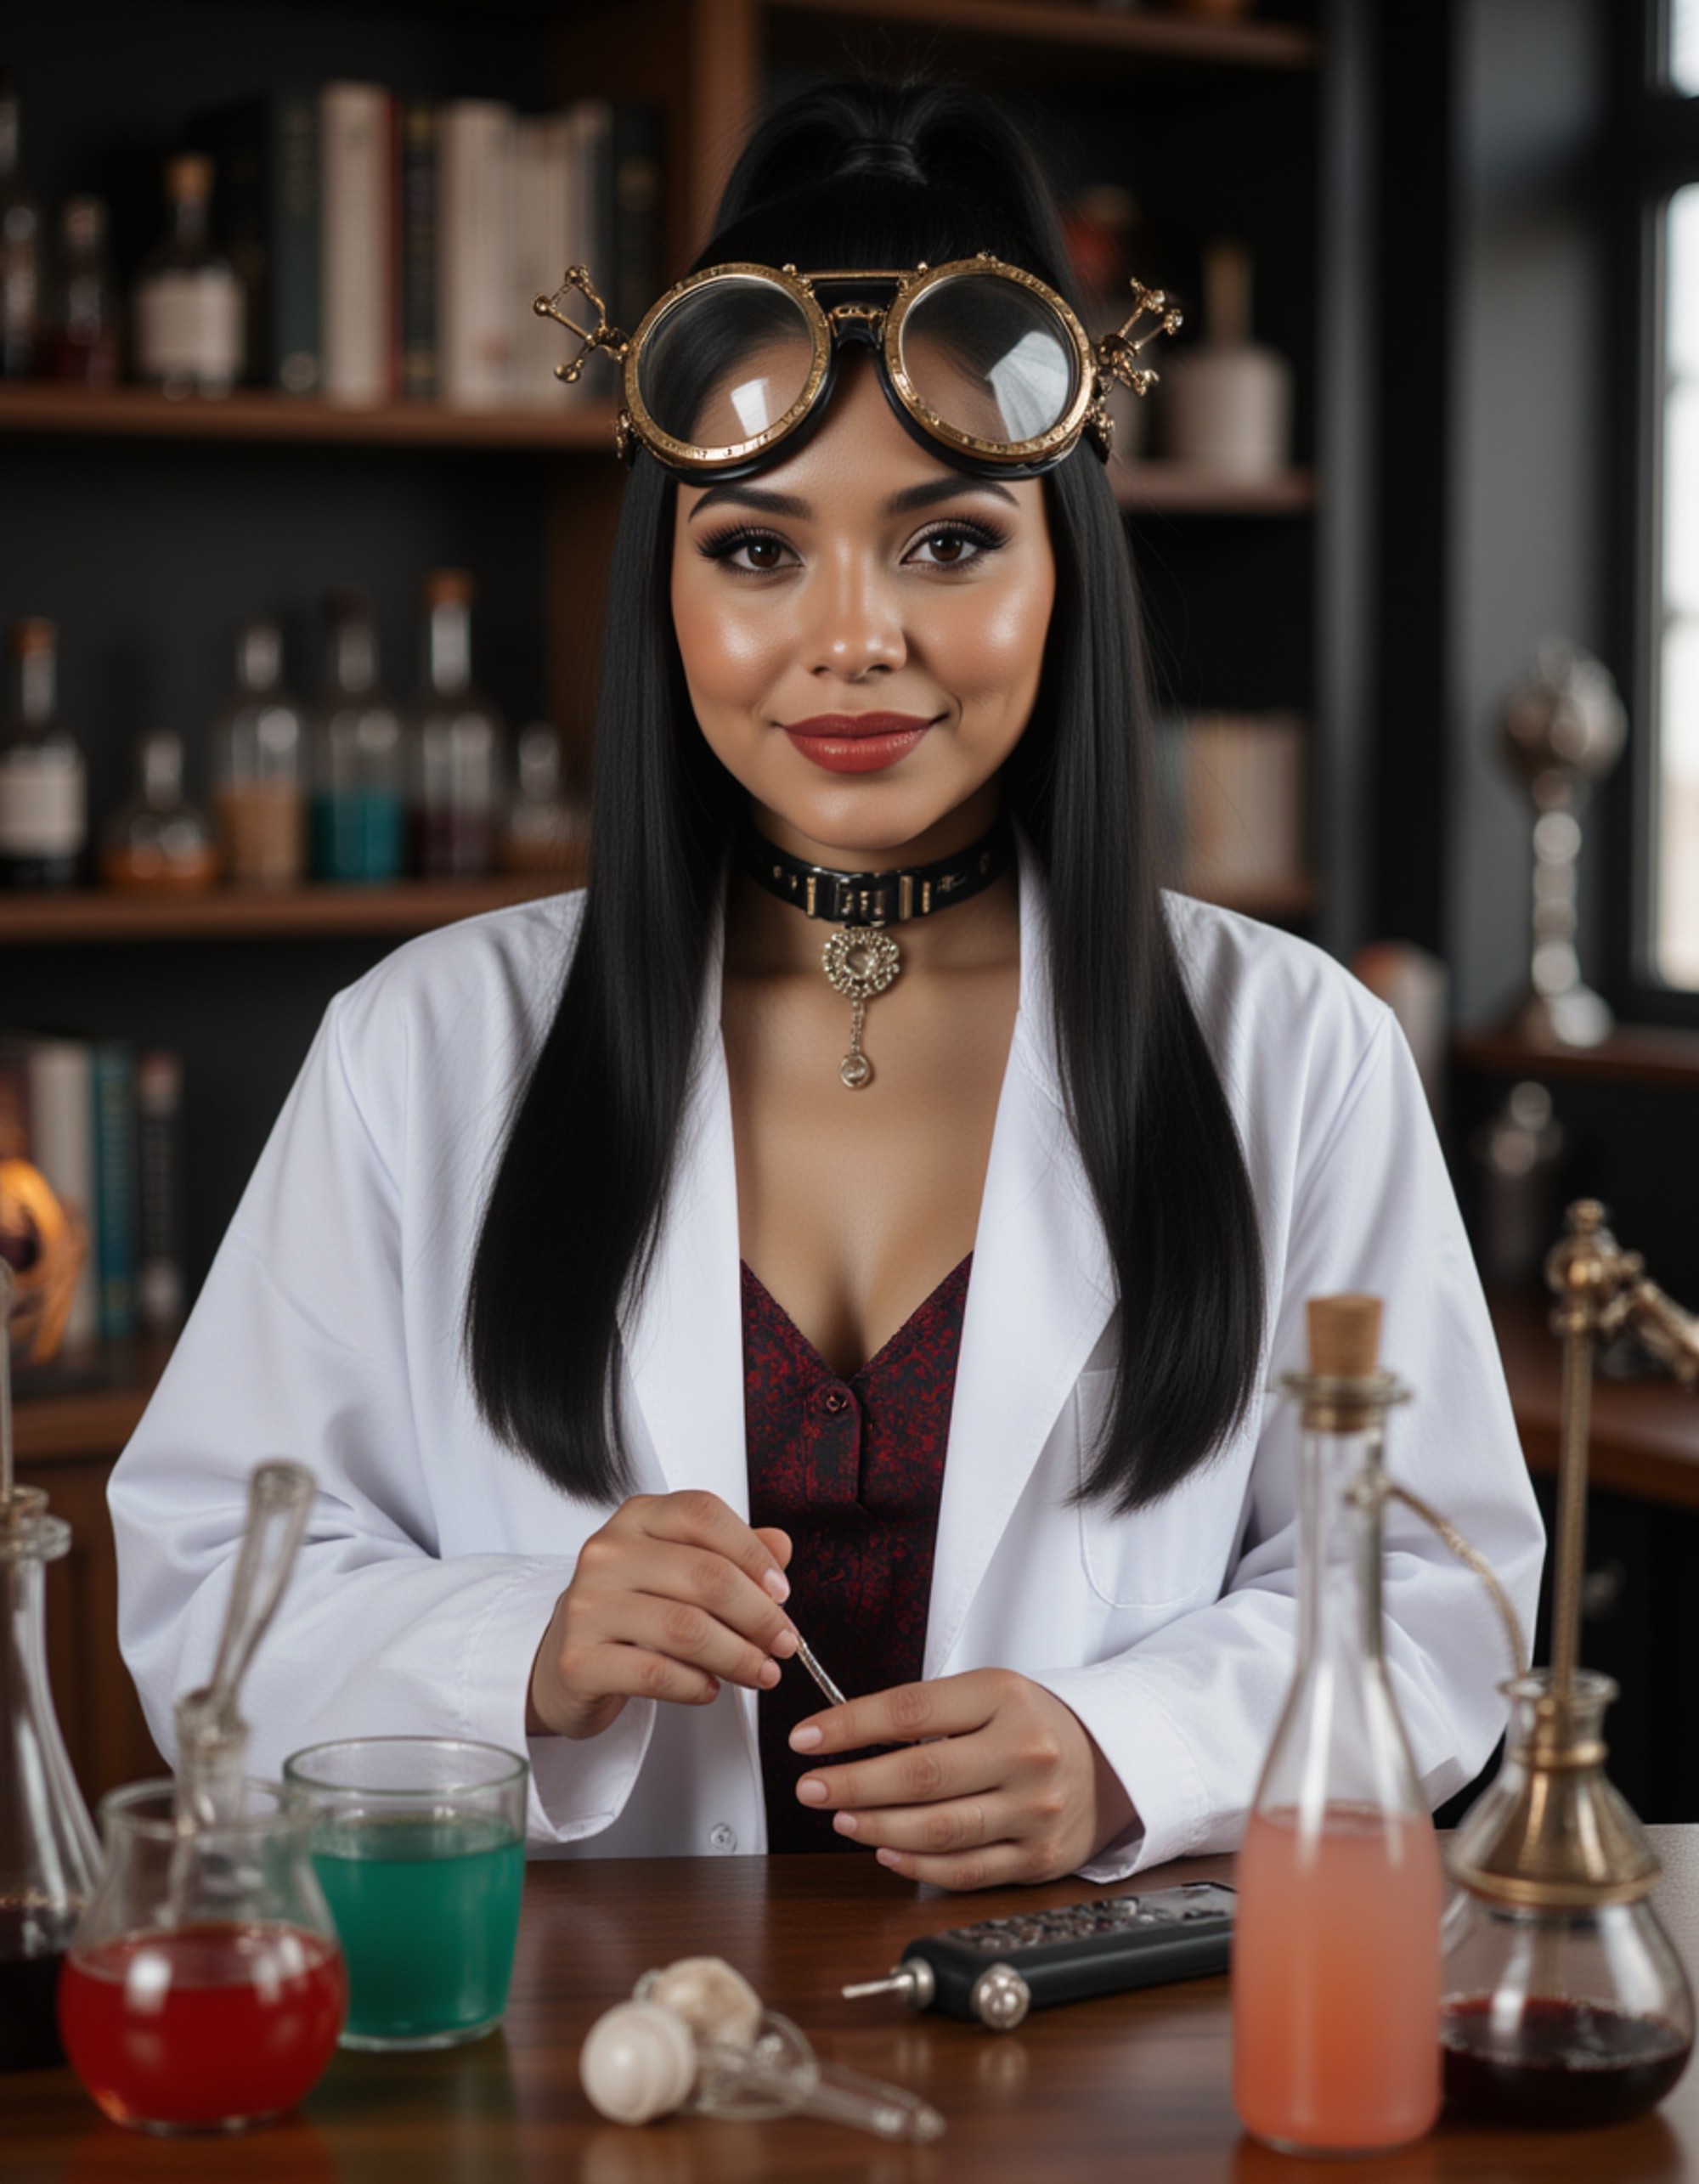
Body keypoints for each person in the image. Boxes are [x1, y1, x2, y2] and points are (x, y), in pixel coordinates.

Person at [110, 81, 1544, 1888]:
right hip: (579, 2070)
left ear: (1061, 574)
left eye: (947, 540)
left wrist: (1127, 1750)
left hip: (1101, 2090)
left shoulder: (1293, 1051)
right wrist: (523, 1648)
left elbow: (1439, 1604)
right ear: (667, 588)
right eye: (757, 548)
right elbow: (201, 1599)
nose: (850, 633)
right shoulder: (426, 1044)